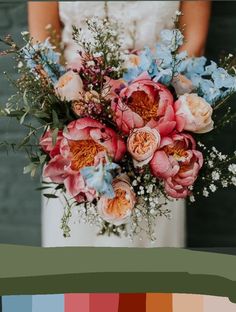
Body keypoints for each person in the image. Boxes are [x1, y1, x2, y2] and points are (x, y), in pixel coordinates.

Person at [26, 2, 212, 312]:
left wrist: (148, 119)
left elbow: (193, 40)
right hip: (78, 146)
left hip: (159, 142)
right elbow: (43, 40)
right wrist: (82, 111)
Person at [28, 0, 211, 248]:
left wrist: (148, 116)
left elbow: (193, 43)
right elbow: (42, 45)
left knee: (149, 273)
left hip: (157, 135)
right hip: (77, 138)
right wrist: (81, 106)